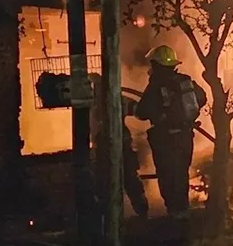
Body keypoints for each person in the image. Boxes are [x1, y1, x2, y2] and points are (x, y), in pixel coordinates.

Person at [135, 45, 207, 220]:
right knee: (181, 173)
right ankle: (182, 212)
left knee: (167, 176)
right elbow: (202, 98)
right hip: (184, 137)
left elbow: (142, 112)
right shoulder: (185, 81)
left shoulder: (156, 86)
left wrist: (160, 114)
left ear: (157, 65)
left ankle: (174, 214)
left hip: (165, 139)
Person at [88, 74, 149, 219]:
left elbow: (140, 110)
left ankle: (111, 218)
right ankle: (136, 214)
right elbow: (139, 110)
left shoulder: (104, 103)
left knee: (114, 182)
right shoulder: (116, 100)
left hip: (114, 146)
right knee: (124, 181)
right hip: (115, 146)